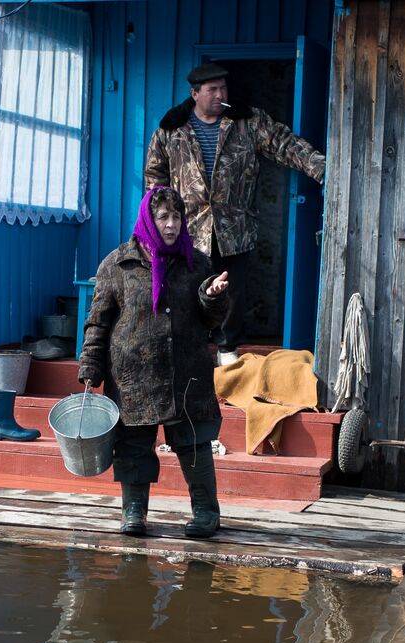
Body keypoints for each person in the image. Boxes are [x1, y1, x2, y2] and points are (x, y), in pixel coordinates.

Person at [144, 62, 326, 365]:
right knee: (189, 287)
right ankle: (193, 346)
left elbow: (285, 144)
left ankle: (227, 349)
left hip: (234, 225)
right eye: (212, 89)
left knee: (231, 289)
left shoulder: (247, 121)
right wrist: (162, 220)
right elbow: (154, 176)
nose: (220, 94)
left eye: (223, 88)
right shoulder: (171, 128)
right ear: (195, 94)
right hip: (188, 227)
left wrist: (323, 169)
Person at [77, 187, 230, 540]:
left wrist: (213, 299)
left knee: (194, 442)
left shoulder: (198, 263)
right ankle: (134, 512)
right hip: (134, 374)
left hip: (186, 369)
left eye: (177, 217)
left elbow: (211, 320)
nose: (172, 225)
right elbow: (97, 322)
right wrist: (90, 368)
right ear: (149, 219)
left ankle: (206, 512)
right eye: (163, 217)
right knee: (132, 444)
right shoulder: (117, 264)